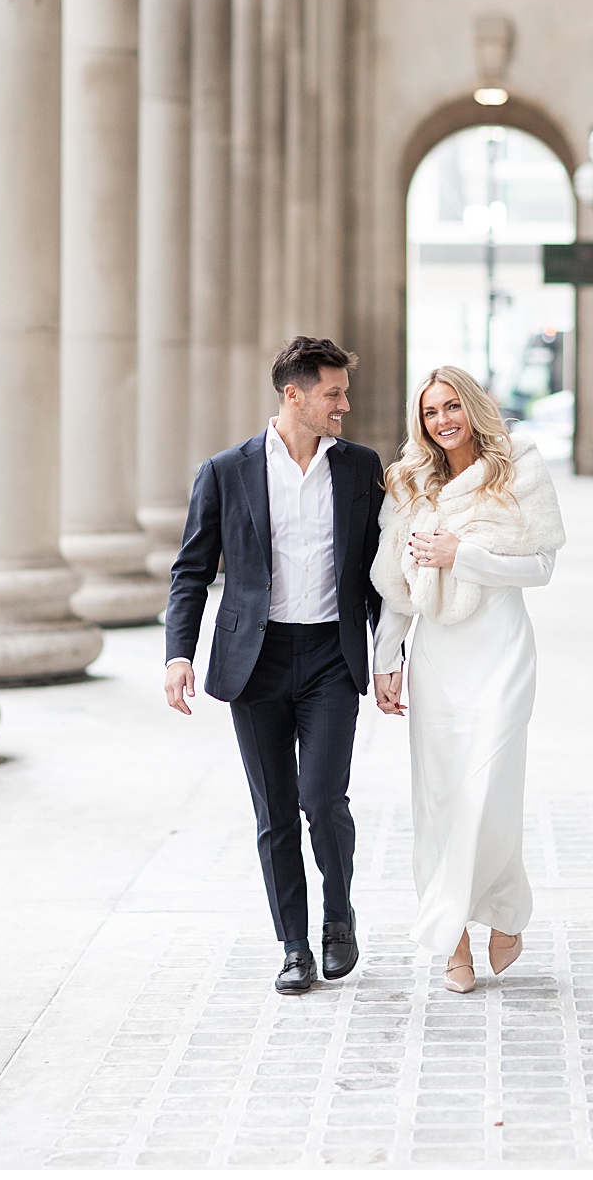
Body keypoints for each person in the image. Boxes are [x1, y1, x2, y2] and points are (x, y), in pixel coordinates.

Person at [164, 337, 388, 995]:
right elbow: (191, 572)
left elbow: (376, 575)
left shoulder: (358, 470)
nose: (344, 405)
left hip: (328, 657)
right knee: (276, 812)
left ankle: (338, 914)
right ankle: (294, 946)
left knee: (324, 800)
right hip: (254, 663)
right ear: (294, 394)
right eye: (334, 393)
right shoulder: (226, 472)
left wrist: (391, 654)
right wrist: (179, 654)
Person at [369, 365, 564, 993]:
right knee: (442, 797)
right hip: (439, 657)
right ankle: (454, 940)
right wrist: (386, 657)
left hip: (501, 651)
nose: (442, 421)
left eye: (452, 406)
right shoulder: (410, 484)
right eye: (430, 413)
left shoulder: (519, 468)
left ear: (473, 407)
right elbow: (398, 587)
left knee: (491, 793)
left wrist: (463, 554)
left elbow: (539, 568)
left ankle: (505, 913)